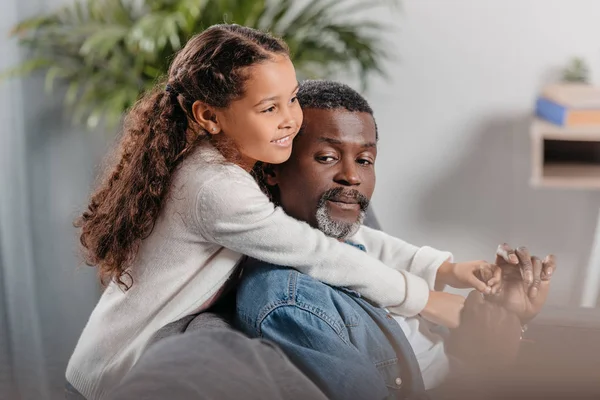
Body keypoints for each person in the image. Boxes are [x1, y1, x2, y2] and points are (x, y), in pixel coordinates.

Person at [66, 25, 499, 400]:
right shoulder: (215, 186)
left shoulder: (243, 163)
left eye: (291, 99)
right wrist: (425, 299)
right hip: (114, 371)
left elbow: (340, 239)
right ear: (208, 116)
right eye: (269, 108)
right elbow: (317, 251)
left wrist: (444, 269)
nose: (291, 119)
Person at [235, 80, 556, 400]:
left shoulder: (357, 245)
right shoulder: (290, 303)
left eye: (364, 160)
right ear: (271, 170)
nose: (352, 176)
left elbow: (437, 339)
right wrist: (487, 364)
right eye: (327, 157)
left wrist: (509, 318)